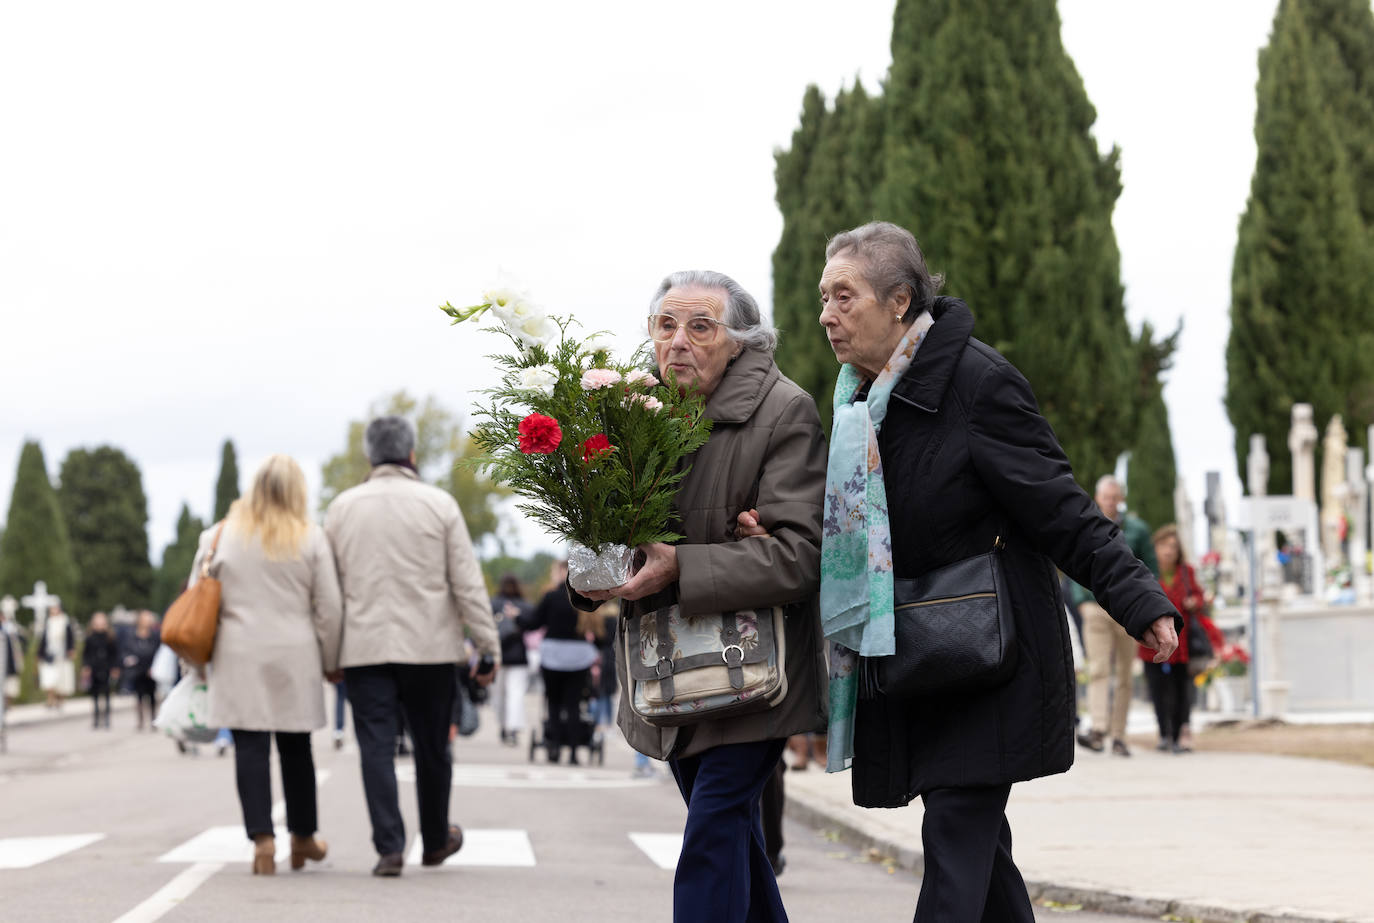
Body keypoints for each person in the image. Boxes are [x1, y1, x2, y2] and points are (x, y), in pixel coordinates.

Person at [807, 222, 1179, 922]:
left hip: (990, 660)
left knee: (954, 836)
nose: (826, 314)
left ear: (899, 300)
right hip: (919, 660)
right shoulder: (859, 405)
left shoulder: (977, 384)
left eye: (843, 296)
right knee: (984, 864)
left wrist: (1138, 598)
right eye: (823, 297)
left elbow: (1061, 509)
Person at [579, 269, 829, 923]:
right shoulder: (639, 415)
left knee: (711, 837)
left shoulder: (784, 412)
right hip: (670, 673)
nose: (678, 343)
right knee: (733, 843)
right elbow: (616, 533)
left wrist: (679, 565)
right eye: (666, 326)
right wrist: (595, 568)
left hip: (753, 675)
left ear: (739, 341)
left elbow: (800, 556)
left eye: (700, 326)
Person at [325, 415, 500, 877]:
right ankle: (436, 838)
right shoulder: (438, 504)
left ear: (369, 455)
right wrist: (488, 644)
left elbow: (328, 592)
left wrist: (329, 655)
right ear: (412, 454)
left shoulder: (342, 509)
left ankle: (389, 847)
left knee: (376, 748)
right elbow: (466, 583)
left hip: (364, 649)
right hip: (430, 649)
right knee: (432, 749)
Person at [191, 454, 342, 876]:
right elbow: (328, 606)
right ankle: (303, 837)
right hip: (295, 653)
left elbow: (195, 596)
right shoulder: (311, 538)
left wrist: (197, 664)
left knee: (250, 749)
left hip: (238, 652)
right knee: (297, 749)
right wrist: (332, 661)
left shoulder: (218, 536)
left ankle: (262, 840)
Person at [1070, 475, 1160, 757]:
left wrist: (1146, 604)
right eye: (1105, 497)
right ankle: (1098, 729)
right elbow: (1073, 559)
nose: (1110, 501)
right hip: (1095, 607)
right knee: (1098, 669)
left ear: (1121, 498)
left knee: (1124, 673)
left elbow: (1151, 567)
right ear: (1098, 498)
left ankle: (1118, 735)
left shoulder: (1138, 530)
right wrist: (1082, 600)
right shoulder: (1086, 524)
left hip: (1128, 609)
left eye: (1114, 497)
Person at [523, 561, 599, 765]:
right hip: (579, 656)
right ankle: (574, 753)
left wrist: (516, 619)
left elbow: (534, 623)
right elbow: (599, 633)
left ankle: (554, 747)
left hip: (553, 655)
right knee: (574, 705)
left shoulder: (550, 597)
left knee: (554, 703)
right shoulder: (586, 597)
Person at [1146, 524, 1205, 753]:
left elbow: (1198, 596)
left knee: (1182, 690)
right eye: (1163, 545)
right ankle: (1164, 734)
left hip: (1181, 643)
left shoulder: (1186, 572)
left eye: (1173, 546)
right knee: (1158, 690)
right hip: (1152, 644)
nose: (1168, 551)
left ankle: (1182, 733)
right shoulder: (1147, 571)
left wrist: (1195, 603)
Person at [490, 574, 533, 746]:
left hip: (498, 653)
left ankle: (502, 725)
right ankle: (512, 728)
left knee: (498, 694)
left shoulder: (493, 604)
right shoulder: (524, 605)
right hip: (518, 654)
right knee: (516, 693)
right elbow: (532, 625)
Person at [123, 610, 161, 730]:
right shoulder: (131, 635)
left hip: (151, 669)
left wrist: (155, 667)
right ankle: (140, 721)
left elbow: (159, 652)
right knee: (139, 696)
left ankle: (154, 720)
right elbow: (126, 651)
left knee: (152, 696)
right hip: (137, 669)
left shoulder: (155, 636)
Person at [81, 612, 120, 729]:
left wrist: (115, 668)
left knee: (107, 694)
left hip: (107, 667)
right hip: (94, 668)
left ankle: (107, 717)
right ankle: (96, 717)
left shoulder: (110, 638)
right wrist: (86, 667)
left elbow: (115, 654)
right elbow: (86, 654)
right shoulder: (89, 638)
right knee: (95, 694)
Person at [37, 604, 76, 710]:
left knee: (62, 680)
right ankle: (50, 699)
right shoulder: (49, 622)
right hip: (50, 655)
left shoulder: (65, 622)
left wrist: (71, 650)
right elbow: (43, 639)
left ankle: (60, 699)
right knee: (49, 679)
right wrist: (40, 653)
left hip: (62, 656)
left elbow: (70, 638)